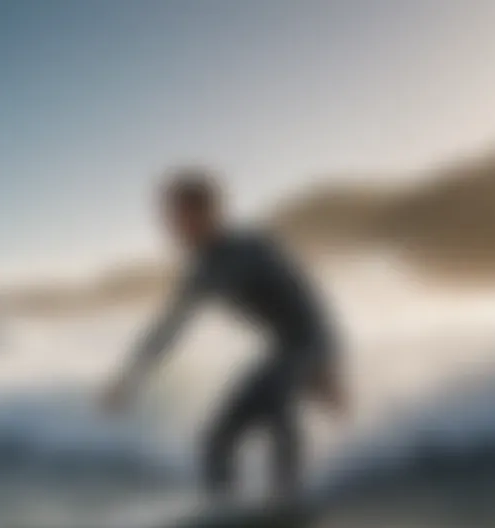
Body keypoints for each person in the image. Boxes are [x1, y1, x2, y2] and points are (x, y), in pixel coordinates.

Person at [101, 170, 346, 499]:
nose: (171, 226)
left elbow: (306, 300)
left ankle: (287, 499)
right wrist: (130, 376)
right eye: (169, 217)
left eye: (179, 215)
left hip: (310, 343)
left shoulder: (251, 248)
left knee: (274, 397)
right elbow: (169, 326)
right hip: (285, 351)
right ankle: (224, 510)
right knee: (215, 441)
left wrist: (325, 366)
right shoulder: (202, 270)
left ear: (209, 212)